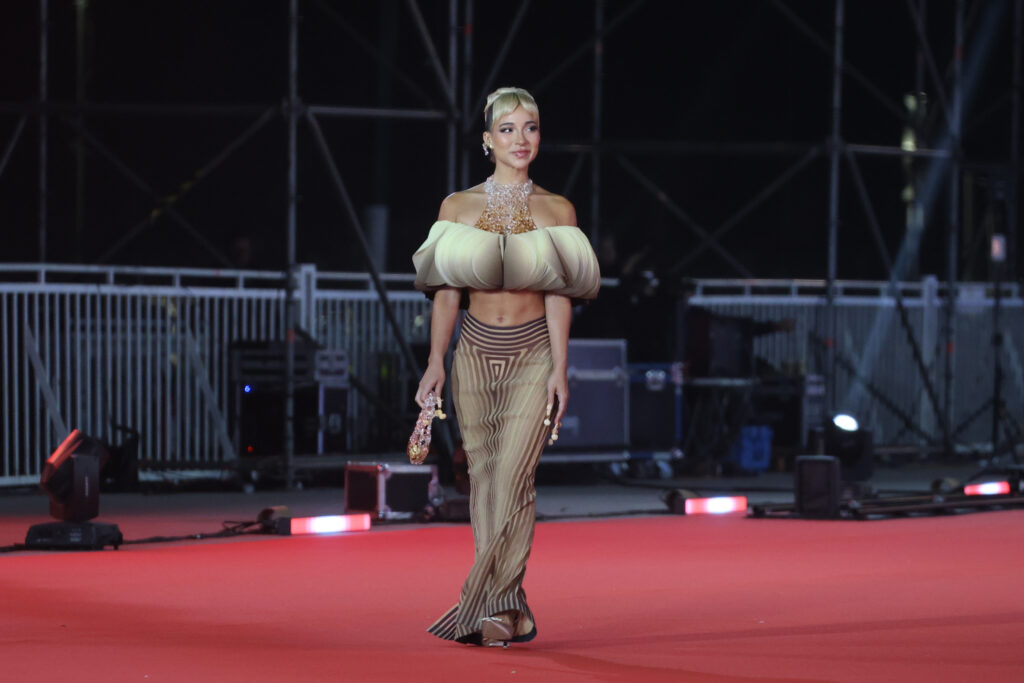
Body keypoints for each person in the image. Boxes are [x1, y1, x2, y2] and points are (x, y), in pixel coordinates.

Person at [412, 86, 600, 647]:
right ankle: (507, 609)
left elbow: (560, 295)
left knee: (515, 478)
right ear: (488, 140)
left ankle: (482, 603)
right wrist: (435, 362)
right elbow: (447, 292)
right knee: (486, 482)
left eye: (531, 127)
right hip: (473, 355)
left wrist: (560, 368)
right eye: (509, 129)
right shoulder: (457, 207)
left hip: (533, 354)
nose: (522, 139)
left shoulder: (558, 210)